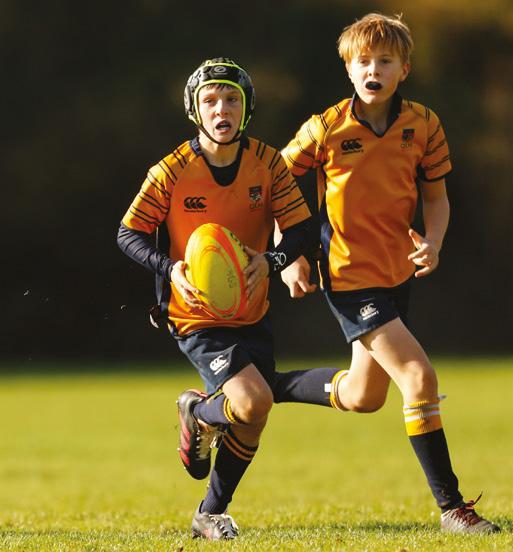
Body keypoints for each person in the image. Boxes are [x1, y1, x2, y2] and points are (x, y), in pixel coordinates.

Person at [276, 13, 500, 533]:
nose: (372, 69)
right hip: (349, 276)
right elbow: (275, 186)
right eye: (362, 61)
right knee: (418, 378)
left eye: (384, 61)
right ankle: (452, 508)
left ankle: (259, 386)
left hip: (396, 275)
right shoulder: (325, 128)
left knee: (364, 395)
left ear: (405, 70)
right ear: (348, 70)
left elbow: (436, 197)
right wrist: (290, 255)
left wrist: (434, 242)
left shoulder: (424, 125)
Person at [117, 58, 320, 541]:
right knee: (253, 400)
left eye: (232, 99)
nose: (221, 109)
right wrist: (170, 268)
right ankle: (198, 413)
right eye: (210, 101)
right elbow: (128, 233)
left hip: (252, 309)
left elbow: (302, 229)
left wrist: (271, 261)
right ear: (195, 111)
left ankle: (209, 512)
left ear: (246, 109)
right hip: (195, 315)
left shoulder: (268, 163)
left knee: (254, 416)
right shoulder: (171, 170)